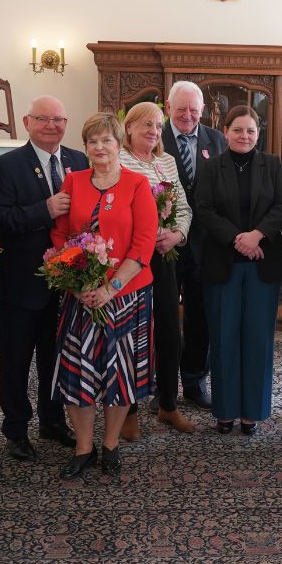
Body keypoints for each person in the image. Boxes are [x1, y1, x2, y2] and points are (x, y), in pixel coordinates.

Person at [51, 113, 158, 479]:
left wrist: (110, 289)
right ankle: (84, 446)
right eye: (92, 142)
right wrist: (79, 285)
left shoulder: (137, 184)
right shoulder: (74, 181)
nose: (99, 148)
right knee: (78, 371)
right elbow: (61, 236)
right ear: (85, 147)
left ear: (118, 145)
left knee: (120, 373)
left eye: (106, 141)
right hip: (80, 296)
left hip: (127, 295)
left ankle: (110, 443)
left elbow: (144, 244)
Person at [0, 95, 88, 461]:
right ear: (28, 122)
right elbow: (0, 221)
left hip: (67, 284)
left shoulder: (78, 160)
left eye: (58, 119)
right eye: (43, 118)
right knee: (16, 360)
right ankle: (15, 429)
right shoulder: (6, 166)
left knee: (55, 357)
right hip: (23, 281)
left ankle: (52, 420)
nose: (52, 125)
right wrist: (43, 210)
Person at [194, 105, 282, 435]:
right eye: (238, 130)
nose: (244, 136)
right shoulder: (211, 167)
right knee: (223, 338)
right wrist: (238, 238)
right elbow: (203, 208)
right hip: (223, 264)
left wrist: (257, 235)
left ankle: (252, 412)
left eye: (250, 130)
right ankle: (224, 411)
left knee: (257, 340)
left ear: (258, 133)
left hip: (263, 264)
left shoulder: (273, 165)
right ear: (225, 131)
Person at [119, 101, 196, 434]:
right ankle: (129, 410)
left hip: (164, 257)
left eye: (157, 126)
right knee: (132, 334)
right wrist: (148, 236)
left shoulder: (166, 161)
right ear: (129, 128)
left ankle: (168, 405)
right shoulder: (119, 159)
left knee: (169, 331)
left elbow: (183, 208)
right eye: (145, 125)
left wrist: (177, 234)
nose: (152, 131)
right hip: (131, 260)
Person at [162, 80, 227, 410]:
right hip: (165, 245)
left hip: (205, 244)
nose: (188, 115)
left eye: (194, 110)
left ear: (202, 111)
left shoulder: (216, 140)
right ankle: (163, 386)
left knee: (200, 315)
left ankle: (194, 380)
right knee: (165, 317)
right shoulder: (152, 138)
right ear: (168, 109)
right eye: (181, 109)